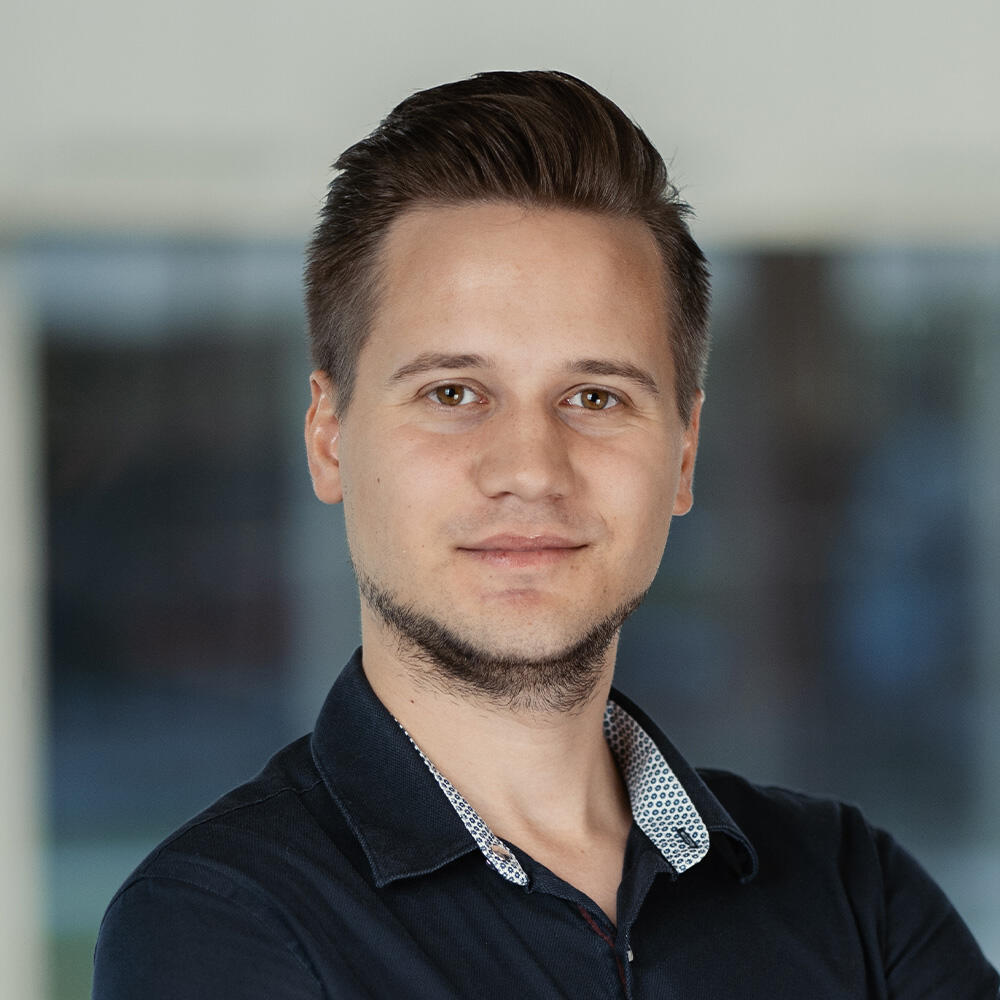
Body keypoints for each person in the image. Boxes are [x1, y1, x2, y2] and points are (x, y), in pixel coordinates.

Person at [92, 70, 999, 999]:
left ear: (683, 455)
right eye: (453, 392)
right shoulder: (216, 921)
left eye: (595, 397)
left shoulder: (852, 894)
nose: (530, 468)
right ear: (329, 438)